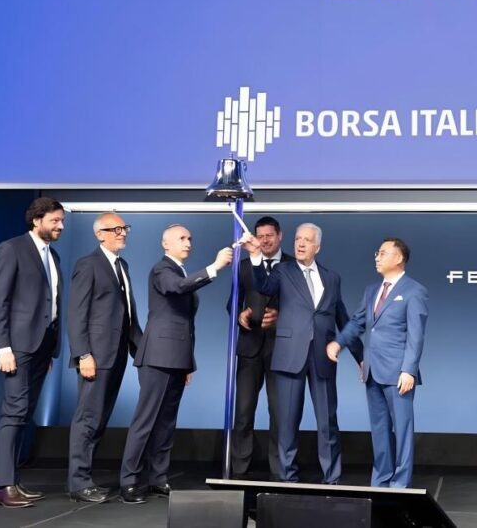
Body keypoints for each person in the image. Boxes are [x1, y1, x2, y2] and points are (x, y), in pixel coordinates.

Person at [240, 224, 362, 484]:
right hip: (289, 356)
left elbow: (342, 318)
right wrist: (255, 256)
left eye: (307, 240)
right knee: (286, 423)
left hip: (323, 358)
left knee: (328, 422)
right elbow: (263, 286)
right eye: (297, 239)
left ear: (318, 246)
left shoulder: (332, 278)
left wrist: (360, 357)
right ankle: (287, 478)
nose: (301, 244)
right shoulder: (282, 271)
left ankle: (332, 479)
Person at [119, 224, 233, 504]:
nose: (188, 242)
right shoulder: (162, 270)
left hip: (177, 358)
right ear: (165, 244)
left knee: (166, 423)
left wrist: (187, 363)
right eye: (181, 238)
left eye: (190, 238)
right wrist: (215, 267)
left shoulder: (180, 271)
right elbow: (177, 288)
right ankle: (129, 481)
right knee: (146, 421)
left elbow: (186, 325)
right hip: (158, 356)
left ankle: (158, 478)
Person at [327, 238, 428, 488]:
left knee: (402, 430)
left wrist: (409, 370)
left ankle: (400, 483)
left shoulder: (414, 291)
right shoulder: (372, 290)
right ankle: (381, 480)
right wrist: (339, 343)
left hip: (398, 373)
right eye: (377, 253)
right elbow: (358, 322)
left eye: (383, 253)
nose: (377, 257)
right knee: (379, 430)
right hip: (372, 371)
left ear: (399, 258)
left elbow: (416, 335)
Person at [0, 197, 66, 508]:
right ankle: (2, 486)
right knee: (14, 412)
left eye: (62, 221)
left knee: (25, 414)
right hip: (17, 347)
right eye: (55, 220)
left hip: (42, 348)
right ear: (36, 220)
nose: (60, 226)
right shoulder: (11, 249)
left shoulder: (53, 255)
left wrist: (50, 350)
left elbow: (51, 302)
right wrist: (2, 347)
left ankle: (13, 481)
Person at [66, 212, 142, 503]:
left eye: (124, 228)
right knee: (88, 418)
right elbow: (77, 313)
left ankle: (86, 478)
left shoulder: (122, 265)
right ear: (100, 234)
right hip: (95, 356)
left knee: (99, 419)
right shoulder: (88, 264)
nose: (122, 233)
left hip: (117, 354)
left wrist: (142, 351)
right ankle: (78, 483)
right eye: (115, 229)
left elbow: (128, 314)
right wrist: (83, 353)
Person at [230, 216, 290, 478]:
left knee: (279, 414)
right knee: (243, 412)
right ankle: (239, 471)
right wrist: (239, 313)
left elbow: (302, 307)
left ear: (280, 236)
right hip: (249, 347)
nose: (265, 240)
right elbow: (232, 302)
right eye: (260, 236)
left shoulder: (293, 266)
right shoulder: (243, 267)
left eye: (269, 235)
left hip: (281, 350)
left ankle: (280, 471)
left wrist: (281, 315)